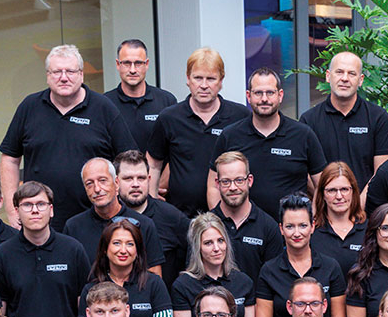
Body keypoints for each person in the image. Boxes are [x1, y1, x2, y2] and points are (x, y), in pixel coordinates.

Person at [0, 44, 140, 227]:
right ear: (47, 76)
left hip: (95, 221)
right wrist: (12, 210)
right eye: (57, 72)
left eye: (70, 72)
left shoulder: (104, 108)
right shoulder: (29, 107)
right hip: (40, 222)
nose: (64, 78)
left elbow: (129, 162)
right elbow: (10, 159)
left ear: (81, 74)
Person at [0, 181, 88, 317]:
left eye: (41, 204)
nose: (35, 210)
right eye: (27, 205)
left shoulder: (73, 250)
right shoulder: (3, 255)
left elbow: (85, 307)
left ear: (51, 210)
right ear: (16, 212)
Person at [148, 47, 249, 216]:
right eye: (197, 78)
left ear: (221, 81)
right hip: (179, 216)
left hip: (229, 217)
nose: (203, 85)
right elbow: (153, 165)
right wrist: (152, 207)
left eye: (210, 79)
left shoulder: (240, 116)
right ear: (188, 79)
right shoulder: (169, 118)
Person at [212, 68, 326, 214]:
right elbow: (213, 186)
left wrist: (311, 219)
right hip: (243, 231)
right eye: (258, 93)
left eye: (270, 93)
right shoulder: (230, 136)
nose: (264, 99)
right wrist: (222, 224)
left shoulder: (303, 135)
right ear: (248, 96)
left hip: (292, 232)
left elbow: (322, 186)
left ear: (280, 95)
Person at [256, 195, 347, 317]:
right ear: (281, 229)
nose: (297, 233)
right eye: (290, 226)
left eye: (303, 226)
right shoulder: (269, 271)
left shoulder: (331, 267)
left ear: (312, 226)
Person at [76, 222, 174, 317]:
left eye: (130, 244)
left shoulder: (154, 283)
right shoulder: (91, 289)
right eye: (116, 243)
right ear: (105, 249)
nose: (123, 250)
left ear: (137, 250)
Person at [302, 52, 388, 188]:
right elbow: (304, 173)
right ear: (328, 76)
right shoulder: (309, 120)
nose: (345, 78)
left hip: (367, 207)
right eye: (339, 72)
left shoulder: (378, 118)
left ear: (361, 80)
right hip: (324, 206)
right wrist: (328, 201)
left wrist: (358, 206)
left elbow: (381, 172)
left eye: (351, 73)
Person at [173, 214, 257, 317]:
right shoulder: (183, 285)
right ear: (197, 247)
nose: (217, 248)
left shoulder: (244, 282)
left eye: (220, 241)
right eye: (208, 243)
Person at [116, 149, 193, 286]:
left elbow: (194, 258)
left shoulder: (172, 217)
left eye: (141, 178)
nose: (135, 184)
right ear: (116, 182)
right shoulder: (108, 217)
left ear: (149, 179)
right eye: (128, 178)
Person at [63, 157, 156, 269]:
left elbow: (154, 275)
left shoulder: (144, 225)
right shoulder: (74, 227)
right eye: (89, 183)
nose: (97, 189)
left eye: (102, 180)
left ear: (116, 183)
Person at [210, 151, 280, 278]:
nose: (233, 187)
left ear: (250, 181)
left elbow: (274, 280)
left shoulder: (268, 228)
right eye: (226, 181)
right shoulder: (204, 227)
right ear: (217, 183)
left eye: (239, 180)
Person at [104, 38, 177, 130]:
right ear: (118, 64)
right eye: (127, 63)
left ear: (146, 64)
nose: (132, 70)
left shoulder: (166, 101)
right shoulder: (105, 103)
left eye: (138, 63)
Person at [310, 161, 368, 266]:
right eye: (332, 190)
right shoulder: (312, 231)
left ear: (353, 191)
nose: (339, 196)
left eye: (344, 189)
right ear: (322, 194)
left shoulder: (369, 230)